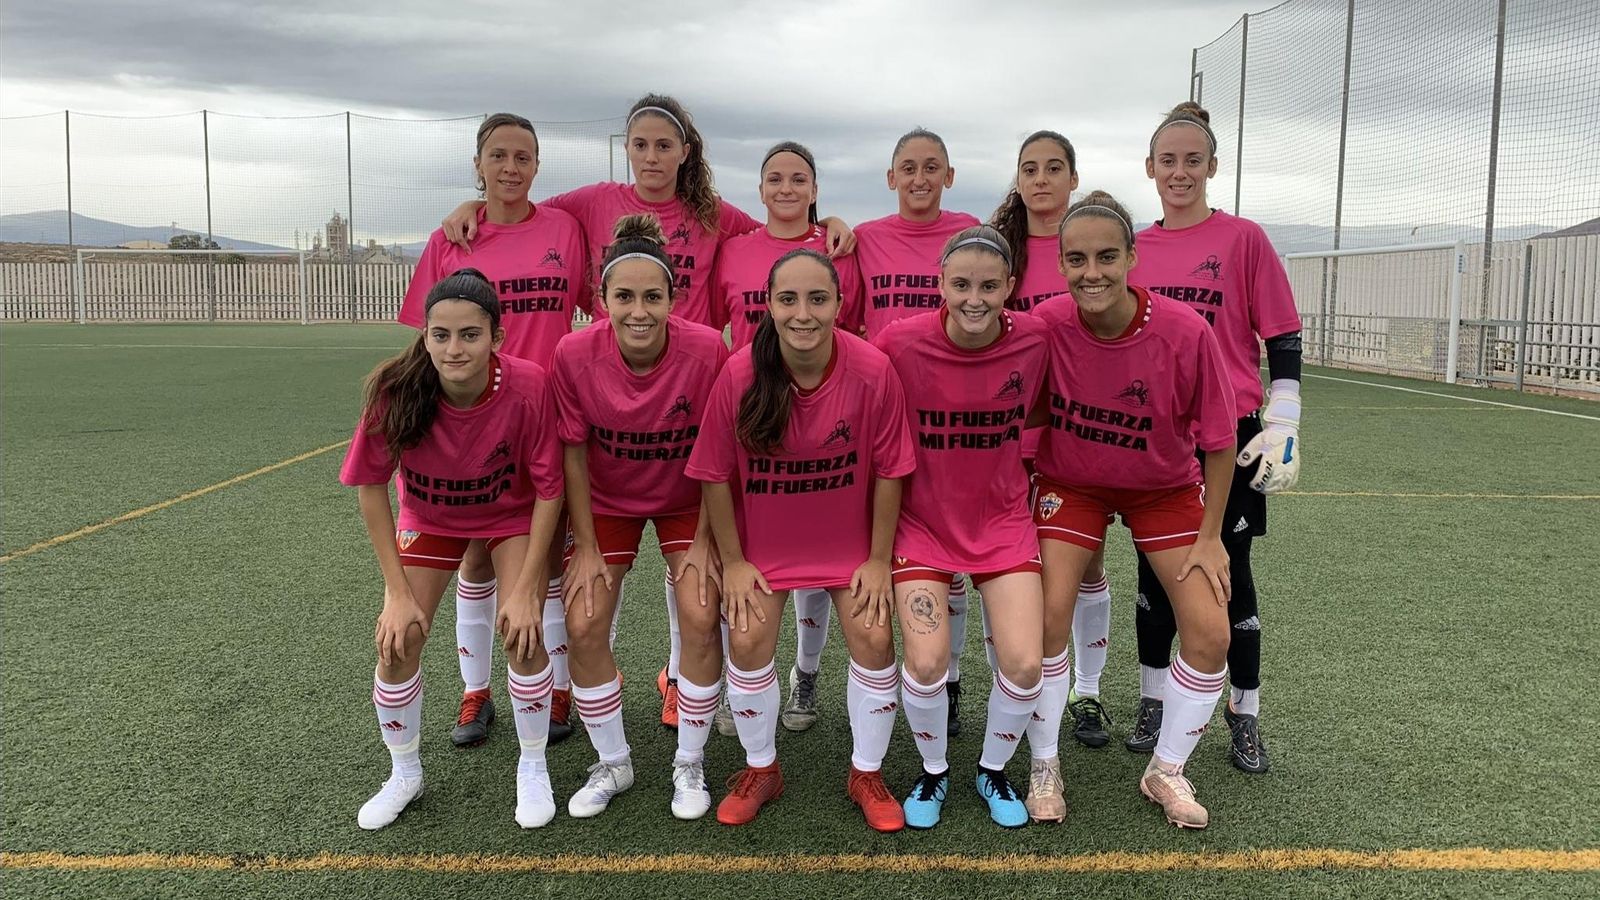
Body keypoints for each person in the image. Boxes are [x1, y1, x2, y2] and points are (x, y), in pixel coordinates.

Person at [442, 96, 854, 730]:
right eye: (642, 145)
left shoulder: (714, 216)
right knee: (510, 552)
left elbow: (780, 226)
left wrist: (831, 227)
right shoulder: (589, 204)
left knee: (699, 573)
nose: (654, 156)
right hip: (579, 401)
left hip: (694, 401)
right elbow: (521, 211)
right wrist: (472, 206)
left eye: (667, 145)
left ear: (686, 152)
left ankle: (674, 676)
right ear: (626, 148)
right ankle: (525, 690)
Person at [686, 249, 915, 833]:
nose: (803, 313)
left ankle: (866, 771)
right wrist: (733, 562)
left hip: (848, 545)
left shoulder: (872, 369)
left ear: (840, 304)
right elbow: (715, 472)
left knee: (874, 633)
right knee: (747, 636)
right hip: (764, 546)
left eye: (818, 299)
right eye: (788, 299)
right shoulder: (740, 373)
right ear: (769, 305)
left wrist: (878, 559)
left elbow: (891, 469)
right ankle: (762, 768)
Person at [1031, 192, 1236, 829]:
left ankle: (1166, 769)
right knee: (1046, 620)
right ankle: (1044, 763)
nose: (1091, 271)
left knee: (1210, 633)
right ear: (1060, 264)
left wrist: (1210, 538)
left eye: (1106, 256)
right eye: (1076, 258)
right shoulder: (1044, 323)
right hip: (1073, 484)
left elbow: (1221, 441)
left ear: (1132, 257)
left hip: (1164, 490)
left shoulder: (1184, 330)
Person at [341, 269, 565, 830]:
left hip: (509, 515)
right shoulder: (398, 388)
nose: (453, 347)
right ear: (425, 335)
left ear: (497, 337)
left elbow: (548, 489)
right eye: (440, 334)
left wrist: (526, 590)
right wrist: (395, 593)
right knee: (398, 641)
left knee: (524, 631)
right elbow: (371, 486)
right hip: (431, 519)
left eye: (470, 334)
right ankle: (404, 773)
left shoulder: (529, 384)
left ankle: (533, 766)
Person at [1126, 102, 1304, 774]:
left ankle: (1245, 709)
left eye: (1192, 160)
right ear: (1150, 168)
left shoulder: (1243, 239)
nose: (1180, 172)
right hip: (1157, 436)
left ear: (1212, 167)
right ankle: (1152, 700)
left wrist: (1284, 418)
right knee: (1153, 567)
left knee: (1231, 573)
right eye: (1167, 161)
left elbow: (1281, 333)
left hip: (1229, 434)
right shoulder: (1137, 248)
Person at [398, 113, 587, 749]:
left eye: (523, 157)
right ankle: (475, 690)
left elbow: (608, 298)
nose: (511, 167)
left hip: (544, 413)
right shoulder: (451, 238)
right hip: (469, 422)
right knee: (475, 554)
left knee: (546, 558)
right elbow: (422, 341)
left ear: (538, 167)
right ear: (478, 164)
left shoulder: (565, 228)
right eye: (498, 156)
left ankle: (556, 683)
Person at [551, 216, 729, 821]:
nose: (638, 310)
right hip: (606, 505)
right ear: (601, 301)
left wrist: (705, 542)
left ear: (673, 299)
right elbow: (573, 453)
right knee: (583, 621)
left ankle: (690, 761)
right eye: (623, 297)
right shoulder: (573, 353)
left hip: (686, 501)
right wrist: (589, 546)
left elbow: (718, 451)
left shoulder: (706, 348)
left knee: (703, 615)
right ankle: (614, 762)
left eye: (652, 296)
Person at [875, 225, 1049, 829]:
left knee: (1026, 664)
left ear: (1010, 287)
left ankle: (991, 770)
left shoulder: (1035, 340)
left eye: (989, 286)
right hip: (921, 525)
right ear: (940, 285)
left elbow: (1054, 407)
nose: (974, 298)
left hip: (1002, 523)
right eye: (961, 284)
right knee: (926, 664)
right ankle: (934, 772)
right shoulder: (899, 343)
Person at [710, 141, 864, 735]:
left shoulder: (838, 248)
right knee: (750, 556)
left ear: (816, 188)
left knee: (817, 555)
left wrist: (835, 226)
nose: (786, 188)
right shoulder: (735, 249)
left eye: (799, 178)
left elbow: (854, 331)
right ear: (760, 188)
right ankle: (738, 679)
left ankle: (805, 675)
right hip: (752, 413)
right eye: (775, 178)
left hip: (824, 415)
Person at [850, 127, 982, 736]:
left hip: (955, 416)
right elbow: (847, 320)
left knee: (949, 552)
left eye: (933, 166)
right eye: (909, 166)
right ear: (891, 177)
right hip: (884, 413)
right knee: (852, 545)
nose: (920, 177)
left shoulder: (972, 230)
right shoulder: (865, 239)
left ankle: (948, 680)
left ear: (949, 176)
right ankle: (806, 674)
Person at [989, 129, 1116, 750]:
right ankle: (1003, 686)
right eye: (1029, 168)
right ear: (1017, 179)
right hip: (1009, 432)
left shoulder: (1089, 243)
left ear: (1073, 178)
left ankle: (1086, 692)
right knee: (1007, 562)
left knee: (1084, 561)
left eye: (1053, 168)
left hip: (1079, 433)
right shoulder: (1000, 250)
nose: (1040, 179)